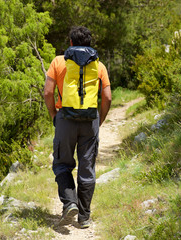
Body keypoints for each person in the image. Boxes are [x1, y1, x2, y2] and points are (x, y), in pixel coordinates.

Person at [44, 26, 112, 228]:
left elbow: (48, 93)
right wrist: (99, 121)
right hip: (90, 120)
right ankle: (84, 217)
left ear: (71, 43)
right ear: (89, 44)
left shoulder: (58, 61)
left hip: (65, 118)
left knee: (62, 163)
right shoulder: (99, 66)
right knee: (87, 168)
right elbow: (107, 97)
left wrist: (54, 115)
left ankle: (69, 203)